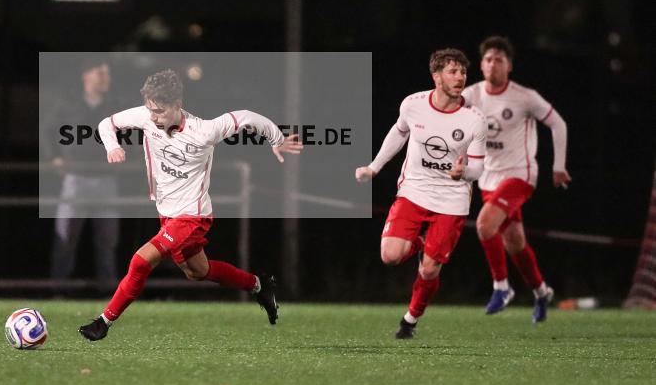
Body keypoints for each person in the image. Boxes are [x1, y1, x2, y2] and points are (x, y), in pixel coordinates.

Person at [78, 69, 303, 341]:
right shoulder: (146, 116)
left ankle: (103, 322)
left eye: (159, 111)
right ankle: (259, 285)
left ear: (177, 105)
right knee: (198, 272)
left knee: (140, 261)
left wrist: (277, 139)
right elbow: (106, 124)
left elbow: (245, 117)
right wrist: (111, 146)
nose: (153, 116)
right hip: (167, 214)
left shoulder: (204, 130)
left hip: (192, 217)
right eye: (150, 109)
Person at [355, 48, 486, 339]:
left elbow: (477, 169)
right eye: (453, 71)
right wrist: (374, 168)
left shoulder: (474, 119)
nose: (460, 77)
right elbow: (399, 132)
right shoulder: (413, 104)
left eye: (463, 72)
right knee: (390, 255)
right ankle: (422, 242)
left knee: (428, 270)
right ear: (436, 76)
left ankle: (410, 319)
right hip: (414, 189)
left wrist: (463, 172)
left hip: (452, 199)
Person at [462, 35, 569, 323]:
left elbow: (558, 124)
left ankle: (502, 287)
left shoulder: (524, 97)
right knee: (515, 243)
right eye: (488, 60)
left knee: (485, 225)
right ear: (481, 66)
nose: (492, 64)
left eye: (499, 60)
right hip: (488, 180)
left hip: (520, 175)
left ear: (509, 66)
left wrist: (558, 166)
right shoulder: (471, 95)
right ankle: (542, 291)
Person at [49, 60, 119, 288]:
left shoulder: (113, 106)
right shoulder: (69, 105)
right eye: (100, 73)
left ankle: (108, 293)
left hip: (106, 179)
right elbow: (49, 131)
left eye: (107, 74)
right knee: (66, 236)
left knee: (107, 239)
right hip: (76, 179)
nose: (105, 78)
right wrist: (54, 156)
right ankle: (59, 289)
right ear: (86, 76)